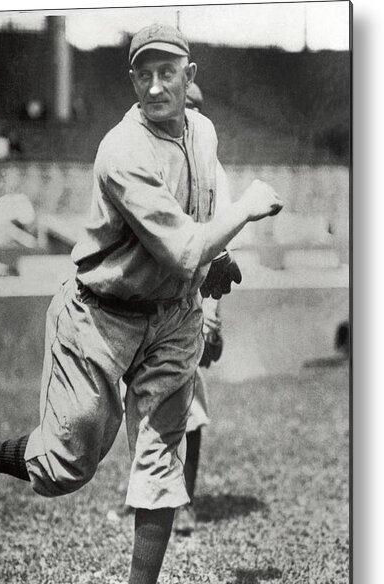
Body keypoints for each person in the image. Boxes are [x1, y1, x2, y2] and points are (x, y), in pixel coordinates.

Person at [0, 24, 282, 584]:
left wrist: (219, 267)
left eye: (168, 72)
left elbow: (198, 217)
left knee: (161, 462)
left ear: (190, 74)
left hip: (172, 318)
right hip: (100, 317)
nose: (156, 85)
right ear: (132, 81)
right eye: (143, 74)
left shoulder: (203, 131)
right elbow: (186, 244)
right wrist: (245, 211)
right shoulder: (120, 151)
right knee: (65, 467)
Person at [173, 81, 236, 535]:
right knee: (140, 402)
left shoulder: (214, 173)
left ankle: (186, 502)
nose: (187, 114)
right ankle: (146, 497)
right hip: (151, 302)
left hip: (192, 301)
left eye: (195, 106)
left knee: (189, 405)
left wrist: (212, 315)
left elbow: (221, 252)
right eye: (182, 105)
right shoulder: (152, 159)